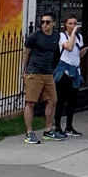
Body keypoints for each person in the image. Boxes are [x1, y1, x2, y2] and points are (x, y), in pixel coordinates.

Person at [22, 13, 61, 145]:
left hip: (48, 72)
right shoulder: (34, 37)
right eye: (43, 22)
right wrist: (25, 71)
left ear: (53, 23)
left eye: (47, 22)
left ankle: (48, 130)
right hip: (34, 72)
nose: (44, 24)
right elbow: (26, 52)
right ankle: (29, 132)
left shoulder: (56, 36)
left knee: (52, 100)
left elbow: (56, 53)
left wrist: (53, 67)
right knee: (31, 102)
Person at [53, 16, 85, 138]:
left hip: (75, 70)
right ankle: (57, 126)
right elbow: (69, 47)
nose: (73, 26)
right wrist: (72, 34)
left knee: (72, 100)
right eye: (70, 23)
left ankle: (69, 126)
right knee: (61, 100)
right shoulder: (62, 36)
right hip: (64, 71)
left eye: (75, 23)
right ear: (65, 25)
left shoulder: (79, 37)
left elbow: (76, 52)